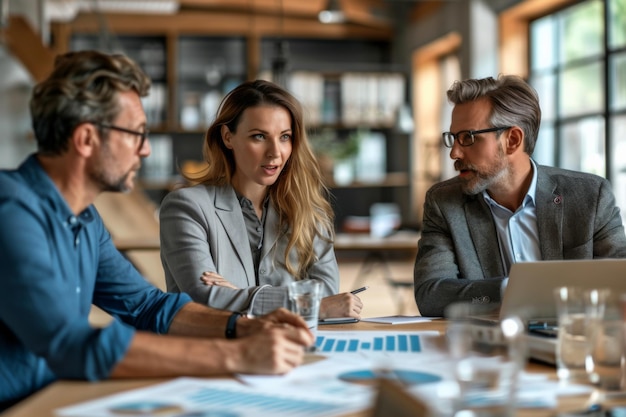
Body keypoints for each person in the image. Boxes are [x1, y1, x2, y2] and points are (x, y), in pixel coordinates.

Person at [0, 51, 314, 410]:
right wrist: (237, 355)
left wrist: (241, 326)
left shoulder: (86, 220)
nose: (146, 150)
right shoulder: (9, 209)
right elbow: (68, 343)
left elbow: (147, 306)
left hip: (58, 401)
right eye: (136, 134)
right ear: (86, 139)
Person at [413, 74, 626, 317]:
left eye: (468, 138)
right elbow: (431, 295)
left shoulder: (590, 197)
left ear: (512, 140)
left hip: (573, 344)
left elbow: (621, 286)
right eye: (453, 138)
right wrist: (511, 289)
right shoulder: (444, 203)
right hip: (487, 348)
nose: (454, 153)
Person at [159, 79, 363, 318]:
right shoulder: (186, 207)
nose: (275, 152)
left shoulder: (309, 212)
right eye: (259, 136)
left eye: (284, 137)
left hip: (295, 349)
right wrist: (312, 305)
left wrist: (238, 295)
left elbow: (327, 291)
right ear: (227, 137)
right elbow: (204, 298)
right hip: (218, 350)